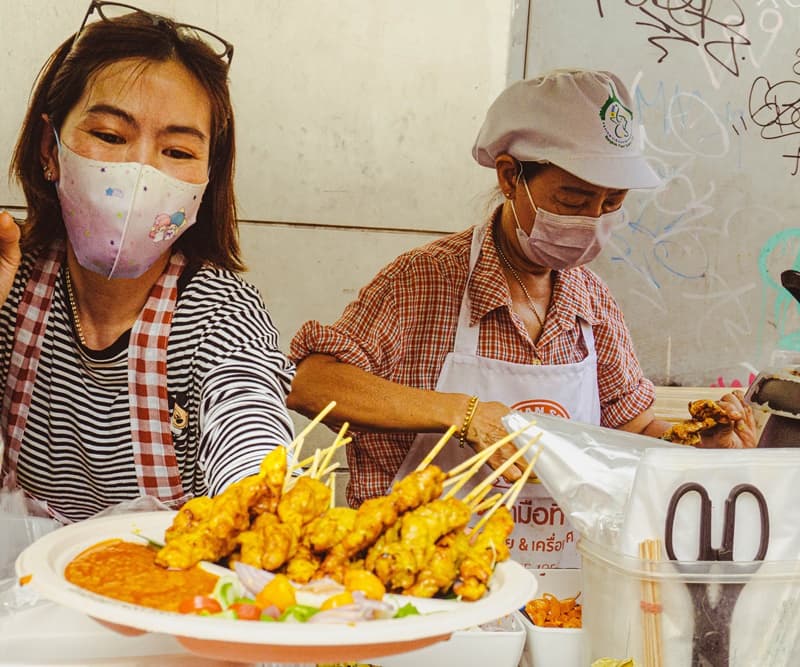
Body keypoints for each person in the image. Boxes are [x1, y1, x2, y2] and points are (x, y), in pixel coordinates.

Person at [288, 69, 756, 568]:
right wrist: (463, 414)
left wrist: (699, 444)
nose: (592, 220)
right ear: (510, 177)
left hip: (562, 581)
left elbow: (632, 428)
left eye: (612, 203)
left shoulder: (593, 301)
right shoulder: (423, 281)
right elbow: (310, 384)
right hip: (417, 578)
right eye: (573, 200)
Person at [0, 1, 295, 524]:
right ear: (50, 148)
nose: (140, 171)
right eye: (110, 136)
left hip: (168, 573)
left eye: (177, 152)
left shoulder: (221, 315)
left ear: (205, 180)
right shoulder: (10, 278)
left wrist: (258, 501)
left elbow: (248, 417)